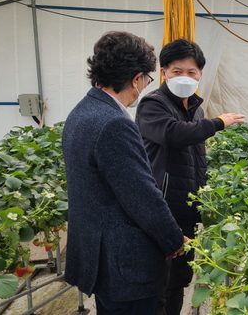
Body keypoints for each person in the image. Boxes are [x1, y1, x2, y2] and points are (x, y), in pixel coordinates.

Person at [62, 31, 187, 315]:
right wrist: (174, 239)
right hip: (125, 263)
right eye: (146, 80)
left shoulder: (80, 113)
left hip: (99, 258)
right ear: (136, 78)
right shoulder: (114, 123)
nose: (144, 87)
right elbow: (142, 196)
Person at [135, 38, 245, 315]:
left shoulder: (195, 107)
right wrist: (218, 123)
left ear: (200, 75)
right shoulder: (152, 105)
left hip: (187, 206)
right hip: (162, 206)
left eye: (191, 72)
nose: (185, 77)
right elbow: (172, 134)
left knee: (180, 278)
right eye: (177, 71)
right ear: (163, 73)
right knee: (159, 277)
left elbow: (197, 155)